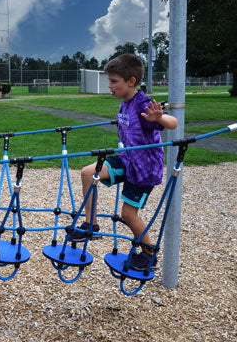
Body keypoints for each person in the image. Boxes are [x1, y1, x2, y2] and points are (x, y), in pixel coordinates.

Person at [69, 54, 178, 271]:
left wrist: (159, 118)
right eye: (109, 81)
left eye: (114, 81)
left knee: (128, 214)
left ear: (131, 81)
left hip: (144, 169)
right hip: (128, 159)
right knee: (87, 173)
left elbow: (173, 123)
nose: (109, 86)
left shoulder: (143, 103)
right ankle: (91, 225)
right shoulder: (124, 103)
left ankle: (149, 254)